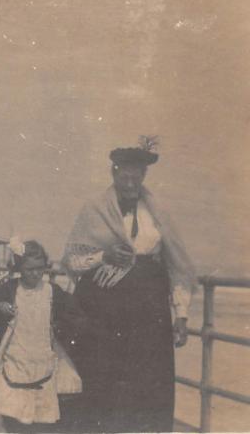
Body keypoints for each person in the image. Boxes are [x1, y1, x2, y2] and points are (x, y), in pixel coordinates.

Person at [61, 137, 196, 433]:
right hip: (104, 311)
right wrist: (103, 255)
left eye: (137, 175)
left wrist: (182, 316)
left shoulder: (157, 213)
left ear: (144, 176)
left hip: (149, 311)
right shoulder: (94, 209)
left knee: (148, 382)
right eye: (125, 174)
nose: (130, 181)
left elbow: (175, 267)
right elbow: (72, 261)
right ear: (114, 173)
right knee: (103, 381)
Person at [0, 239, 89, 433]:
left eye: (40, 268)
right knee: (14, 420)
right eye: (30, 269)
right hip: (14, 362)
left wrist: (58, 326)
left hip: (44, 363)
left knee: (44, 421)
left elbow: (78, 319)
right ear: (20, 267)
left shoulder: (52, 292)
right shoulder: (6, 290)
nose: (36, 273)